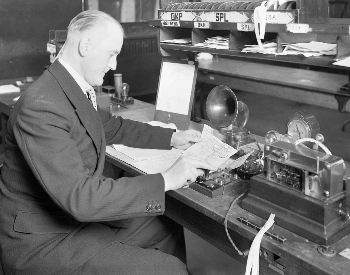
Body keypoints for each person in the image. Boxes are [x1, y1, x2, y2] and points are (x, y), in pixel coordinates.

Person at [0, 10, 216, 275]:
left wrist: (172, 138)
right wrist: (167, 179)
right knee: (169, 270)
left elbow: (112, 126)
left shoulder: (69, 87)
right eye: (111, 54)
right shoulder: (42, 106)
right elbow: (81, 198)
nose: (114, 65)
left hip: (68, 219)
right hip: (43, 240)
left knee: (163, 225)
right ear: (85, 45)